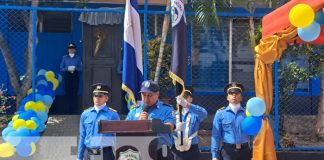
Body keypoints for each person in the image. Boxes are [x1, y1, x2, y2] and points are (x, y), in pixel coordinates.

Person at [125, 80, 175, 160]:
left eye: (150, 95)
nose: (146, 98)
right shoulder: (134, 110)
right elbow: (124, 129)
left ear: (157, 94)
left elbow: (169, 127)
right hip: (139, 152)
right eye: (143, 95)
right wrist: (138, 123)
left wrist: (149, 123)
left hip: (161, 153)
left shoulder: (166, 109)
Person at [77, 83, 120, 160]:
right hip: (88, 154)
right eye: (95, 96)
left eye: (100, 96)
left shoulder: (113, 115)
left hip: (105, 154)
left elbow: (117, 138)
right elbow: (82, 136)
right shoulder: (85, 114)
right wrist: (79, 157)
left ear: (106, 98)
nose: (97, 98)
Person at [211, 82, 252, 160]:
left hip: (245, 151)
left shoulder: (248, 113)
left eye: (237, 93)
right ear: (227, 97)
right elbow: (216, 135)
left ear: (241, 97)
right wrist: (214, 155)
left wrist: (255, 151)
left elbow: (253, 134)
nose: (234, 95)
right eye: (231, 93)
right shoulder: (220, 113)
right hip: (228, 152)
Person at [171, 86, 208, 160]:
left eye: (185, 97)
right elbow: (167, 129)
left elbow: (204, 113)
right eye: (181, 97)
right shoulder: (173, 114)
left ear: (191, 99)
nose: (183, 99)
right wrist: (174, 129)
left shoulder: (195, 114)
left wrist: (187, 105)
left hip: (192, 148)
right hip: (176, 148)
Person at [60, 42, 82, 114]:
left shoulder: (78, 58)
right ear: (68, 49)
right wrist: (68, 68)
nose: (71, 50)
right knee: (68, 91)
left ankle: (74, 110)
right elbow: (61, 68)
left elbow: (81, 68)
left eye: (73, 48)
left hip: (75, 75)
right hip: (67, 75)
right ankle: (68, 110)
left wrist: (75, 68)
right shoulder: (64, 58)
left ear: (75, 50)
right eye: (70, 48)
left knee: (74, 92)